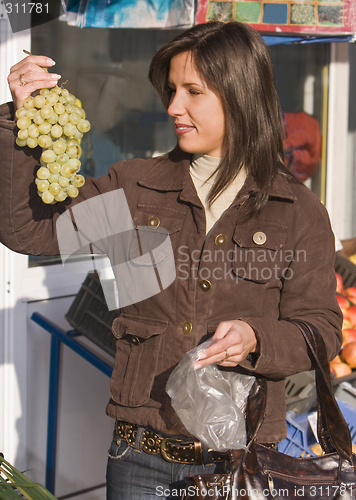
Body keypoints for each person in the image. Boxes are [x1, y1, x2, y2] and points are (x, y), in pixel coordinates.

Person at [1, 21, 342, 500]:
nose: (173, 107)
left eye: (193, 92)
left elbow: (321, 328)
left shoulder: (297, 211)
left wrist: (256, 338)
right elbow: (29, 230)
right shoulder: (136, 189)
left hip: (241, 462)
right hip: (140, 458)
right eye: (172, 90)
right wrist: (18, 120)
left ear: (240, 96)